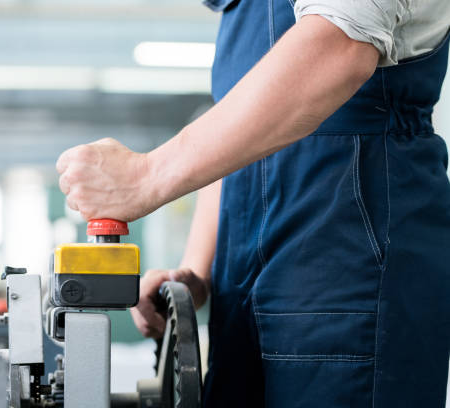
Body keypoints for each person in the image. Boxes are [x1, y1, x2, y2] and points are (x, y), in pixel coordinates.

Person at [56, 0, 450, 406]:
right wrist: (195, 273)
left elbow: (340, 46)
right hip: (244, 285)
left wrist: (144, 178)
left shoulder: (332, 34)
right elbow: (240, 140)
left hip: (349, 254)